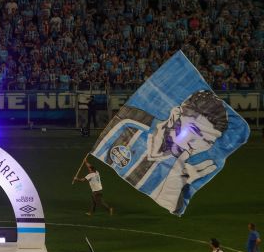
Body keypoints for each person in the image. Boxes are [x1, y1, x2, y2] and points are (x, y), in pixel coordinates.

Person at [91, 90, 229, 215]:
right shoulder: (129, 122)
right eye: (194, 131)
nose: (194, 146)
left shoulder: (182, 169)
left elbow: (175, 209)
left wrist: (177, 187)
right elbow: (103, 147)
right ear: (176, 115)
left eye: (207, 142)